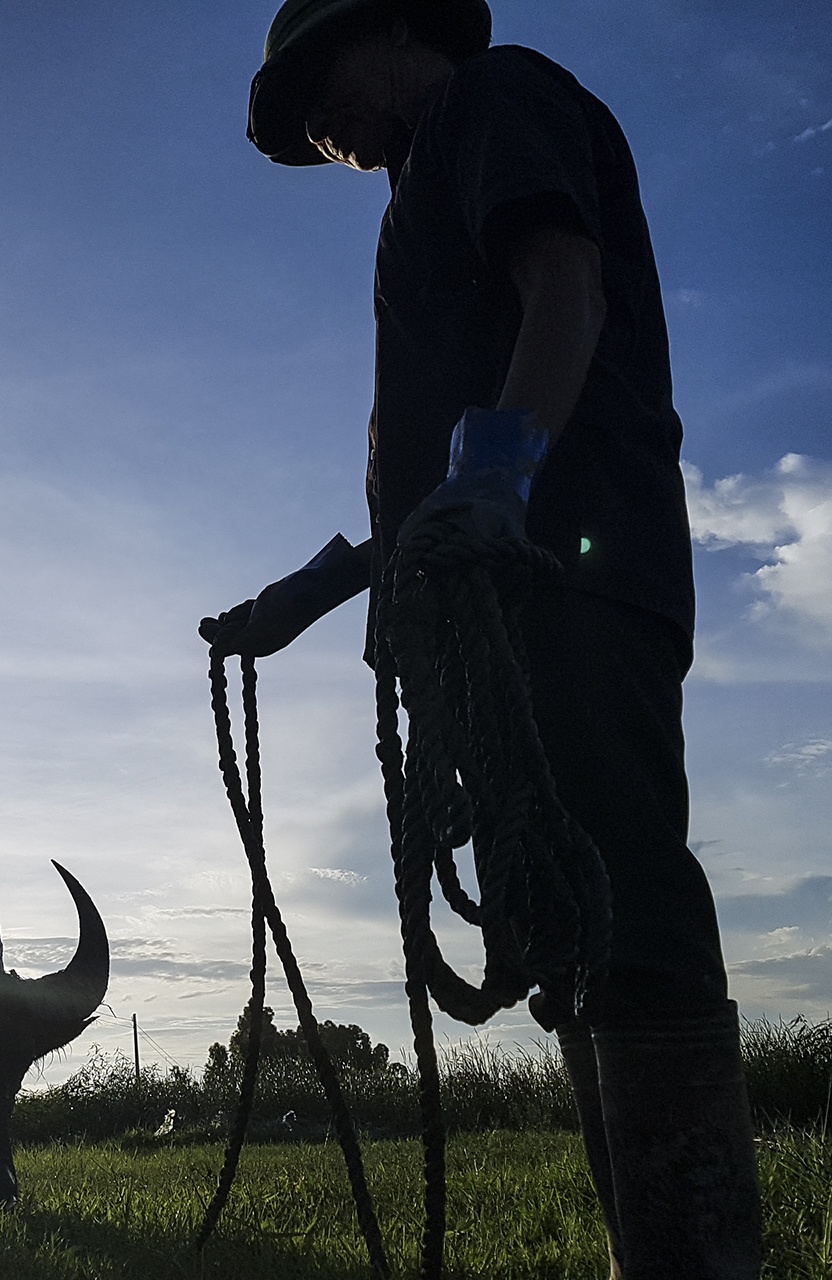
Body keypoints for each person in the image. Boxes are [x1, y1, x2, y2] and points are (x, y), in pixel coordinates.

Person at [200, 2, 762, 1276]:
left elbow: (565, 278)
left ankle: (702, 1253)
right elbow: (415, 497)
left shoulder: (495, 99)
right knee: (563, 920)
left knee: (619, 891)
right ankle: (654, 1248)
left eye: (319, 84)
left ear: (394, 26)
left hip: (565, 573)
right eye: (300, 125)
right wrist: (309, 595)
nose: (319, 129)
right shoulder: (421, 195)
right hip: (481, 610)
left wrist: (505, 478)